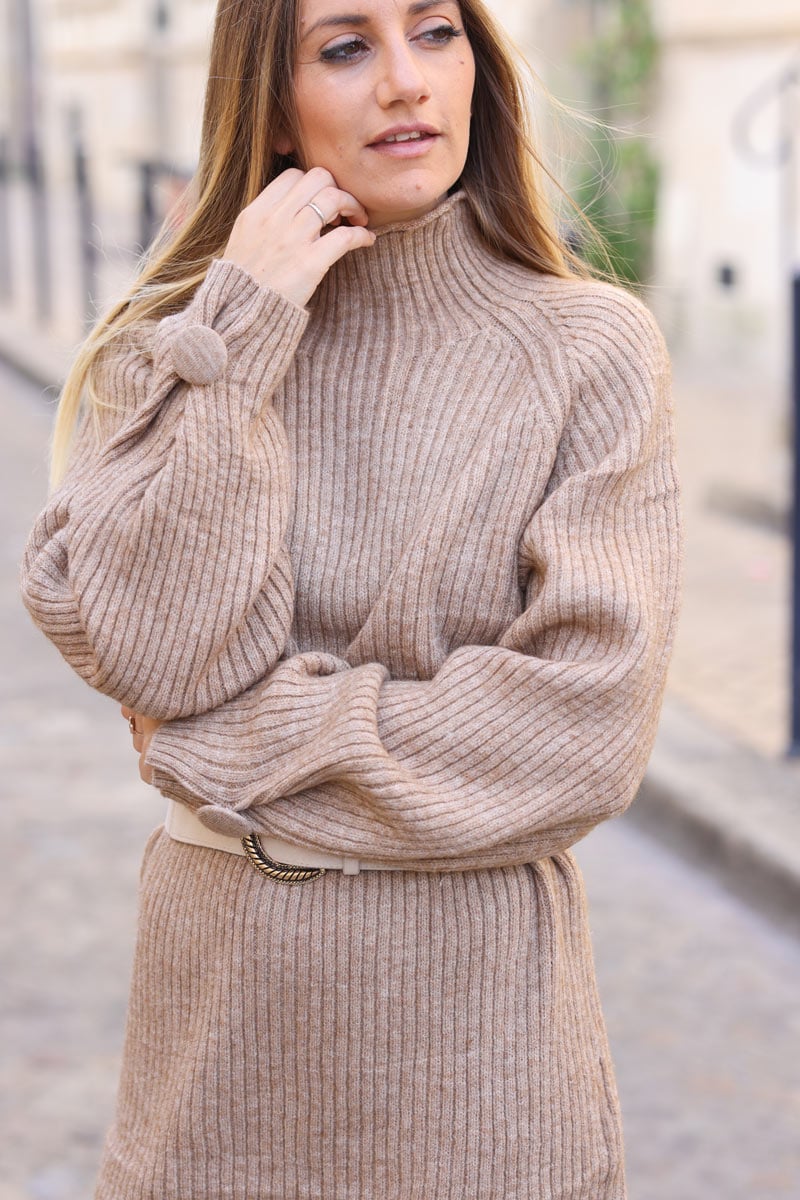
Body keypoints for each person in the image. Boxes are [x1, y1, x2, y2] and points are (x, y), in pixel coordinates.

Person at [20, 0, 682, 1194]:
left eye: (435, 33)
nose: (403, 83)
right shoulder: (175, 348)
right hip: (216, 1069)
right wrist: (245, 324)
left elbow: (576, 735)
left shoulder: (590, 348)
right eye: (344, 46)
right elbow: (158, 651)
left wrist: (227, 744)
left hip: (483, 1087)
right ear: (270, 104)